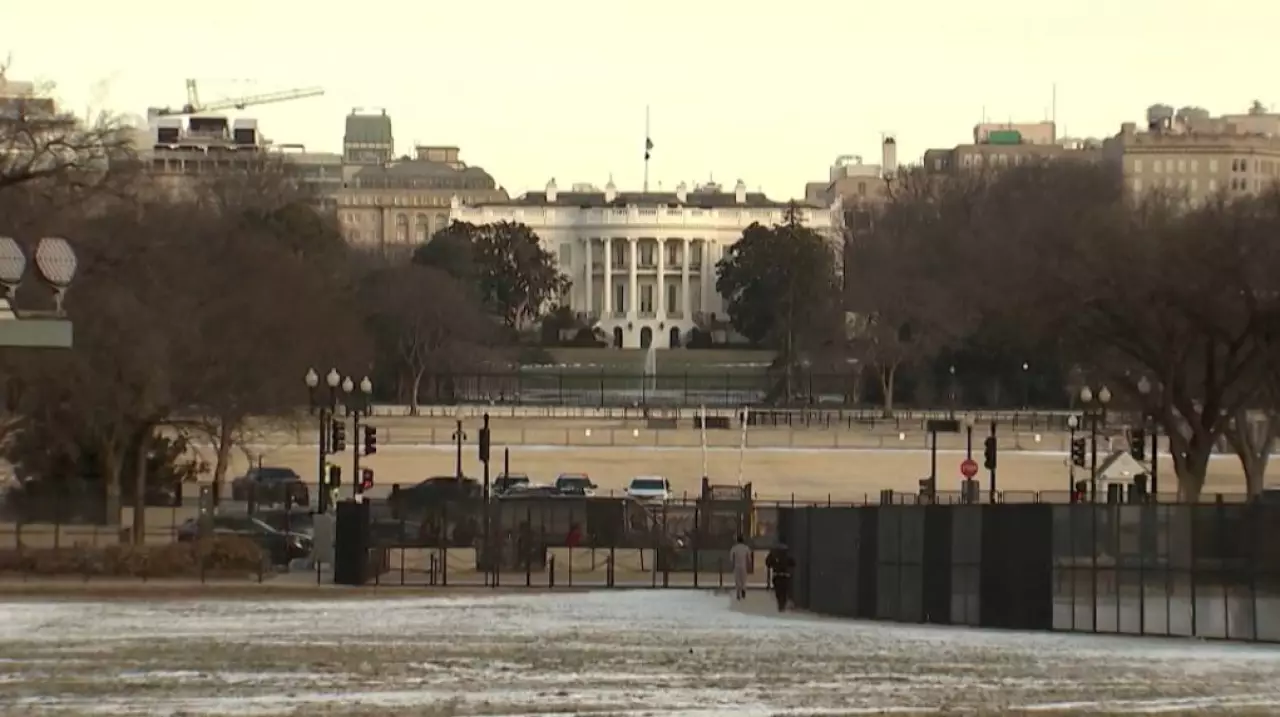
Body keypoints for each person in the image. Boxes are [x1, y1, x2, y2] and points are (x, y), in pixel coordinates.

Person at [765, 542, 795, 612]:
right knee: (784, 592)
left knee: (778, 592)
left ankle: (780, 605)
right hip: (785, 576)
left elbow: (768, 563)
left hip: (777, 575)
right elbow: (793, 563)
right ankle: (782, 605)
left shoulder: (774, 554)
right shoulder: (787, 554)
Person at [728, 535, 751, 600]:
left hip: (737, 565)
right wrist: (749, 564)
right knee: (743, 579)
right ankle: (743, 589)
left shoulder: (734, 548)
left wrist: (732, 564)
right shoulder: (746, 547)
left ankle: (738, 592)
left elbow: (731, 557)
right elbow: (749, 557)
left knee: (737, 579)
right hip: (743, 565)